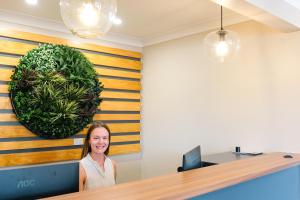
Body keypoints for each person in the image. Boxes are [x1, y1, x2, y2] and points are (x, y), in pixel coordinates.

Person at [79, 122, 116, 191]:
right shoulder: (81, 167)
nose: (101, 142)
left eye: (105, 138)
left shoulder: (112, 164)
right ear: (89, 141)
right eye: (96, 138)